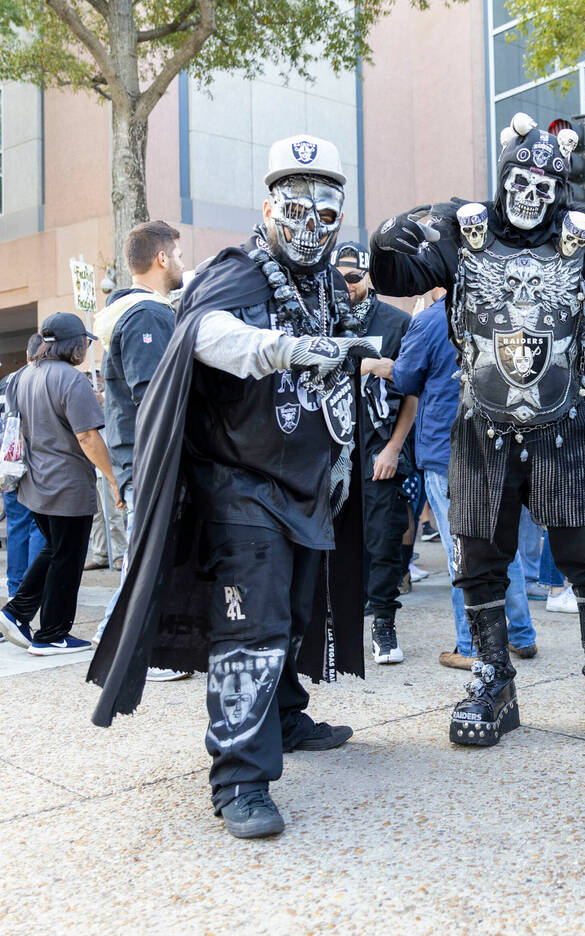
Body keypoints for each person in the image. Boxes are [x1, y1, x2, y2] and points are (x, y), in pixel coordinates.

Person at [89, 135, 379, 840]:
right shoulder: (238, 271)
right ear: (268, 206)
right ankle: (240, 779)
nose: (309, 222)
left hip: (309, 483)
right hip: (240, 485)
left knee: (297, 613)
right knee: (254, 626)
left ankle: (284, 715)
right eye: (295, 204)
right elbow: (202, 333)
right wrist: (282, 347)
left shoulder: (322, 289)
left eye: (325, 208)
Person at [371, 112, 585, 746]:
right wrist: (404, 228)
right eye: (519, 181)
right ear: (503, 178)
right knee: (478, 556)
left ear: (561, 192)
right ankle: (493, 676)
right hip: (481, 431)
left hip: (566, 427)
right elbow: (395, 274)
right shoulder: (464, 236)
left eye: (543, 186)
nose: (530, 195)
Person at [388, 287, 539, 669]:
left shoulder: (431, 319)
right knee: (504, 546)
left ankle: (470, 645)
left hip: (447, 446)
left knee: (463, 551)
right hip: (499, 443)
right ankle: (521, 636)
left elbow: (405, 379)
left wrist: (377, 365)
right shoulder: (508, 314)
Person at [90, 220, 189, 679]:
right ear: (162, 258)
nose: (183, 263)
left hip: (139, 460)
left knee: (145, 556)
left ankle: (114, 634)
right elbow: (155, 398)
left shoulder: (129, 311)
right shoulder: (148, 315)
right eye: (180, 254)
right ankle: (132, 651)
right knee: (147, 559)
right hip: (150, 461)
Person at [0, 313, 122, 655]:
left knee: (54, 550)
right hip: (67, 486)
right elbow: (87, 436)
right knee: (67, 558)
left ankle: (18, 611)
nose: (85, 346)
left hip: (34, 484)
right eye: (84, 341)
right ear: (74, 343)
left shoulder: (21, 377)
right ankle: (52, 634)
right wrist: (113, 479)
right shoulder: (71, 379)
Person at [332, 241, 413, 665]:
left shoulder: (396, 322)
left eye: (353, 277)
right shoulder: (323, 318)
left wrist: (395, 447)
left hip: (379, 444)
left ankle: (383, 621)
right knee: (332, 537)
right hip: (332, 446)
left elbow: (411, 388)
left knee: (383, 537)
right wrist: (365, 364)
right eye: (338, 277)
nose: (346, 286)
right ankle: (333, 621)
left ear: (368, 276)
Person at [0, 336, 47, 602]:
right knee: (38, 525)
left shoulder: (7, 381)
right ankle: (34, 589)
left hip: (8, 461)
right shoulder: (38, 379)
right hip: (34, 461)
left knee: (17, 525)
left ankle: (16, 589)